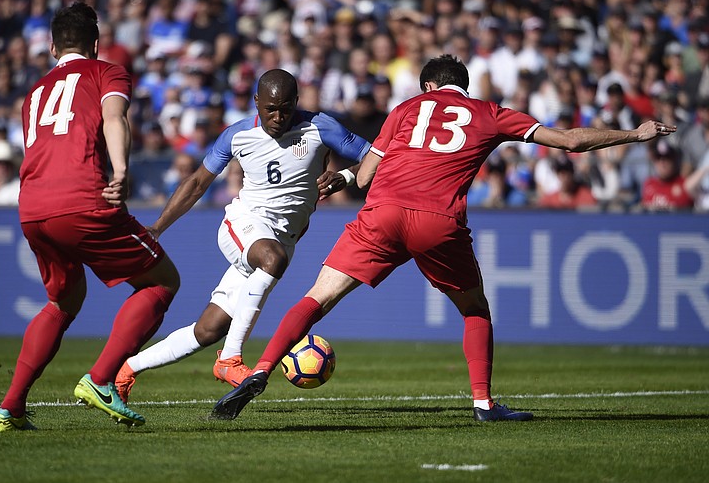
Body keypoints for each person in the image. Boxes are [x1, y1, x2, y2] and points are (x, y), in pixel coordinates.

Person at [211, 55, 675, 422]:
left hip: (382, 214)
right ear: (462, 87)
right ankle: (484, 403)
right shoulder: (489, 112)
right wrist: (634, 134)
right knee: (475, 311)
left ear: (428, 87)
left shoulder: (405, 109)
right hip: (437, 220)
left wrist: (345, 176)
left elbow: (367, 176)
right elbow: (571, 141)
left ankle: (260, 370)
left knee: (316, 298)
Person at [113, 68, 370, 402]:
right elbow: (196, 183)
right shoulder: (237, 135)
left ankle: (124, 370)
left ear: (296, 102)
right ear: (256, 103)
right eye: (270, 108)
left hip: (283, 239)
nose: (278, 116)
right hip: (244, 224)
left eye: (286, 108)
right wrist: (158, 227)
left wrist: (348, 176)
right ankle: (230, 359)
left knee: (209, 328)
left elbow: (377, 157)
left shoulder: (321, 126)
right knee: (271, 259)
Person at [0, 2, 180, 432]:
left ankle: (11, 408)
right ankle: (100, 379)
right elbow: (114, 117)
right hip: (82, 200)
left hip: (33, 208)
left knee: (63, 302)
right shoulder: (105, 72)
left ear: (53, 46)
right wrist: (122, 170)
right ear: (95, 45)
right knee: (162, 281)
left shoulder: (34, 93)